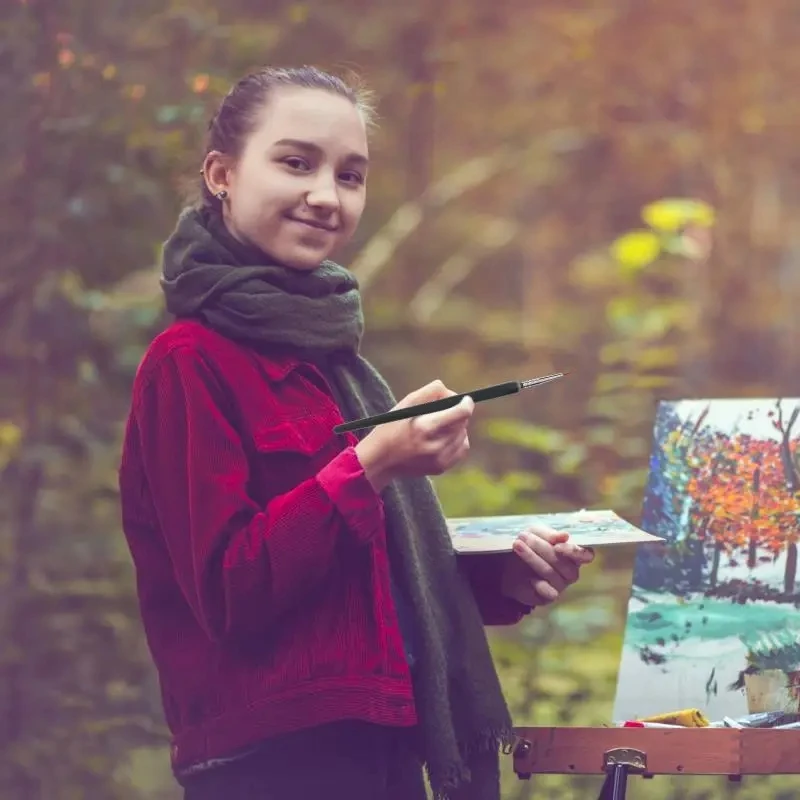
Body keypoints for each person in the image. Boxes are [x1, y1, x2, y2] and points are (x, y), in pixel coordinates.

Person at [118, 65, 594, 800]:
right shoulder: (188, 363)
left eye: (350, 175)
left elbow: (362, 579)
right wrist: (369, 466)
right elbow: (229, 592)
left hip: (383, 749)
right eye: (296, 163)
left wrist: (502, 580)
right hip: (272, 768)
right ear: (221, 173)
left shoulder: (329, 356)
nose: (325, 195)